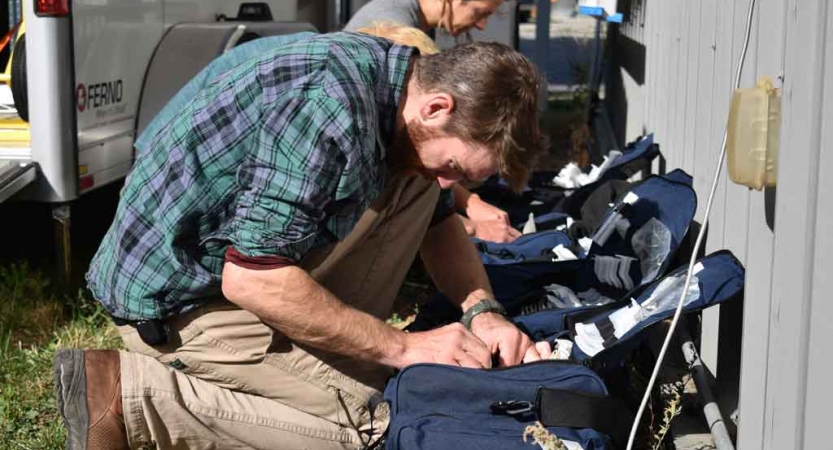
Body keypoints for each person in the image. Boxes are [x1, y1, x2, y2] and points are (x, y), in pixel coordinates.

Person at [55, 31, 546, 450]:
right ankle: (128, 395)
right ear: (438, 106)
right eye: (456, 167)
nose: (448, 184)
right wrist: (402, 347)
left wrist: (483, 312)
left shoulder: (399, 94)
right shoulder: (329, 105)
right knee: (369, 417)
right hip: (177, 302)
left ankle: (323, 363)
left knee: (420, 191)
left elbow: (438, 222)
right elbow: (253, 279)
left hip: (240, 270)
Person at [347, 0, 523, 243]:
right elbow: (418, 159)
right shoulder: (396, 33)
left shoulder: (402, 15)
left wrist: (471, 203)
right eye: (480, 13)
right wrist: (471, 226)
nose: (481, 25)